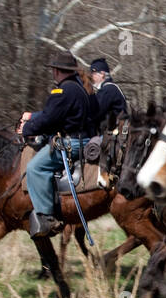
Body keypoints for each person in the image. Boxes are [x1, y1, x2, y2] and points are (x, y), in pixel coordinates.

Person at [19, 50, 91, 237]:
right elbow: (54, 114)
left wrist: (25, 129)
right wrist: (33, 117)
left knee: (35, 167)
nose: (52, 73)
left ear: (57, 71)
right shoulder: (78, 88)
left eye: (53, 70)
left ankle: (47, 218)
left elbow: (49, 120)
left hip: (71, 142)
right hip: (81, 138)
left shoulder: (62, 91)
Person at [87, 57, 127, 134]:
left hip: (113, 133)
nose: (92, 77)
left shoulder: (108, 89)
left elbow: (95, 112)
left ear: (102, 74)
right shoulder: (110, 88)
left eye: (94, 74)